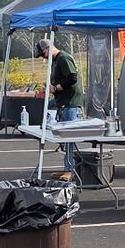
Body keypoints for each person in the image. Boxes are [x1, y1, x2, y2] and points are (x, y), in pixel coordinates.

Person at [37, 37, 84, 178]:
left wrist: (56, 87)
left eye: (43, 54)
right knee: (65, 136)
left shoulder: (63, 58)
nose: (43, 58)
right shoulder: (57, 60)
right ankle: (67, 167)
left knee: (69, 136)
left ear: (47, 49)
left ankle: (70, 169)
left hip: (70, 102)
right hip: (63, 100)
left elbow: (73, 78)